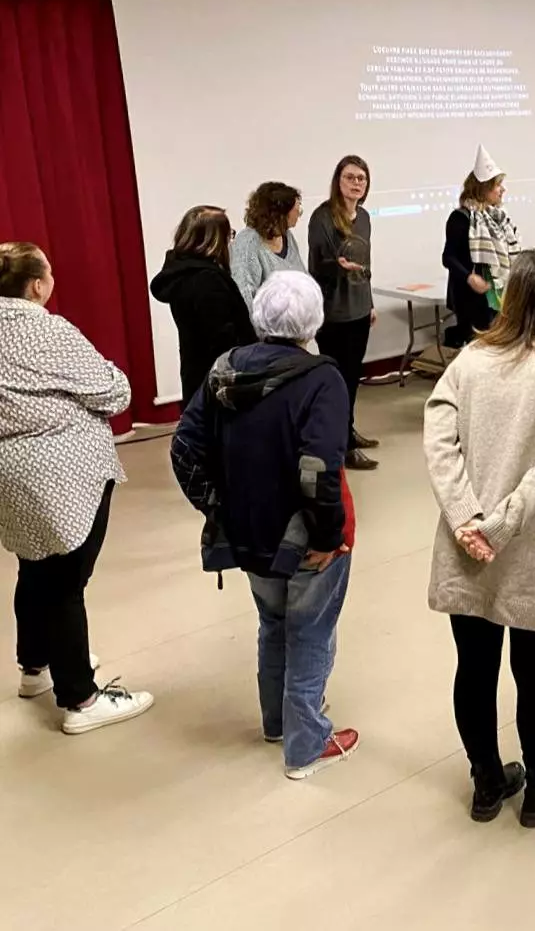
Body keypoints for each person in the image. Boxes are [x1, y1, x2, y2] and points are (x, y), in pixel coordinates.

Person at [424, 250, 535, 828]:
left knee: (473, 670)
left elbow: (438, 438)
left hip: (465, 546)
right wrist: (497, 526)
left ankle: (487, 784)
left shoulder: (471, 360)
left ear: (509, 297)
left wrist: (466, 518)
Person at [171, 271, 360, 779]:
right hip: (306, 539)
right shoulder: (321, 379)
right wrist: (327, 536)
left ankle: (276, 722)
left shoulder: (224, 370)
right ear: (314, 320)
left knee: (273, 623)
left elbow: (184, 448)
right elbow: (318, 468)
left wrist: (217, 506)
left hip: (247, 533)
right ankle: (306, 746)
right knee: (311, 633)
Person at [1, 242, 154, 734]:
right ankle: (81, 699)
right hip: (62, 474)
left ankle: (35, 666)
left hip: (9, 473)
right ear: (37, 285)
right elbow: (114, 390)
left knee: (34, 565)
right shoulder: (46, 328)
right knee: (67, 581)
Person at [308, 155, 379, 471]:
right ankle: (343, 444)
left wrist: (371, 302)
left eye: (361, 178)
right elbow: (316, 266)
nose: (356, 183)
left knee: (353, 378)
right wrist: (336, 267)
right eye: (350, 177)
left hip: (360, 309)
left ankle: (347, 431)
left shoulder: (363, 217)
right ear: (338, 181)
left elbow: (366, 264)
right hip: (334, 313)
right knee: (339, 382)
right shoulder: (322, 217)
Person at [150, 205, 257, 402]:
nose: (231, 241)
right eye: (229, 235)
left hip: (198, 377)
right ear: (213, 240)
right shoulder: (207, 281)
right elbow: (222, 341)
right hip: (219, 383)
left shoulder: (182, 274)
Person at [443, 144, 521, 348]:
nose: (502, 190)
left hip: (498, 293)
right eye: (498, 185)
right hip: (471, 300)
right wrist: (470, 277)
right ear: (484, 188)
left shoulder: (499, 219)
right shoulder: (461, 218)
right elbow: (448, 257)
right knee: (481, 350)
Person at [230, 181, 305, 307]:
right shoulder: (247, 243)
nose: (299, 214)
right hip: (267, 324)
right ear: (280, 214)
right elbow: (245, 297)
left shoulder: (287, 236)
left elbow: (302, 277)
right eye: (297, 209)